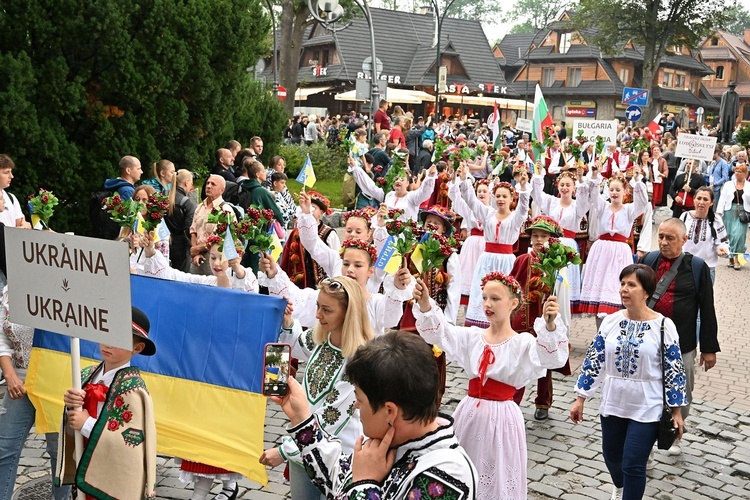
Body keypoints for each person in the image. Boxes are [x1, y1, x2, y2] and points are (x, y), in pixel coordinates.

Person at [269, 331, 478, 500]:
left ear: (390, 411)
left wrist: (365, 484)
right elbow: (338, 478)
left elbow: (355, 483)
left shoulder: (447, 476)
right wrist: (301, 418)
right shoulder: (389, 443)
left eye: (359, 399)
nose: (356, 406)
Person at [414, 271, 567, 499]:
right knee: (462, 472)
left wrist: (550, 327)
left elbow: (552, 359)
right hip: (469, 415)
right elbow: (440, 333)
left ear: (513, 303)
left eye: (495, 299)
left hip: (502, 419)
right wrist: (426, 303)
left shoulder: (521, 343)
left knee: (496, 478)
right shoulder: (472, 337)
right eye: (485, 297)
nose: (488, 304)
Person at [570, 264, 687, 500]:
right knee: (612, 456)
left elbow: (674, 369)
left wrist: (677, 411)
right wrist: (580, 398)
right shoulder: (610, 322)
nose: (624, 289)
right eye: (622, 284)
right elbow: (595, 359)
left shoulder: (663, 326)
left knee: (634, 462)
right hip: (614, 401)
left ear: (646, 292)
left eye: (631, 284)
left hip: (647, 405)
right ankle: (619, 485)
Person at [259, 277, 376, 500]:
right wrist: (287, 321)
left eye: (326, 310)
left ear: (347, 313)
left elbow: (332, 417)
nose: (318, 315)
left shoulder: (359, 360)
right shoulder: (322, 336)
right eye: (318, 306)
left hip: (338, 456)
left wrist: (284, 451)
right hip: (303, 449)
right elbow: (295, 345)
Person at [638, 219, 719, 454]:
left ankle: (674, 431)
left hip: (682, 342)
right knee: (647, 389)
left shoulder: (697, 267)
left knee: (682, 390)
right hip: (648, 341)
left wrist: (708, 347)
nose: (663, 242)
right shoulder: (648, 260)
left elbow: (707, 307)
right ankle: (646, 442)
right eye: (661, 236)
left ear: (684, 240)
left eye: (670, 238)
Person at [58, 307, 157, 499]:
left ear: (137, 348)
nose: (108, 345)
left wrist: (86, 424)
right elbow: (72, 424)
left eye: (118, 340)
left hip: (111, 475)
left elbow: (131, 442)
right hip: (84, 461)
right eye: (106, 334)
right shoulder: (86, 376)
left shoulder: (134, 390)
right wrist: (71, 406)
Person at [0, 286, 71, 500]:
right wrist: (9, 373)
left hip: (58, 381)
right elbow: (1, 337)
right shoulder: (10, 289)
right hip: (21, 380)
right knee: (4, 448)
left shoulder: (66, 284)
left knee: (59, 453)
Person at [510, 216, 572, 421]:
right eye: (535, 236)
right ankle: (513, 401)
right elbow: (511, 286)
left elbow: (561, 294)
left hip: (544, 321)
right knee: (518, 361)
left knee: (544, 362)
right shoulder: (522, 260)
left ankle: (543, 402)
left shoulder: (556, 265)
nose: (538, 240)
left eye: (543, 236)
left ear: (552, 239)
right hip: (522, 319)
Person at [456, 164, 530, 328]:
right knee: (483, 292)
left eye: (504, 196)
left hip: (506, 261)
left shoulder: (515, 218)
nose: (501, 199)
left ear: (511, 199)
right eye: (497, 196)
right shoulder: (488, 214)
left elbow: (524, 207)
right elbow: (472, 201)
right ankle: (480, 325)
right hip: (487, 258)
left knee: (504, 293)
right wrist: (464, 179)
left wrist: (524, 187)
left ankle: (503, 326)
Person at [579, 166, 647, 325]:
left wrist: (637, 180)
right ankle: (600, 334)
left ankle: (615, 330)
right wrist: (595, 175)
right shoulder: (603, 207)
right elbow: (594, 195)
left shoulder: (629, 210)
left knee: (616, 288)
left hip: (619, 253)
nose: (615, 193)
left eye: (618, 189)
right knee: (600, 291)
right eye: (612, 190)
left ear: (625, 192)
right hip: (601, 251)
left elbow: (643, 202)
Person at [531, 167, 590, 312]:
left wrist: (582, 179)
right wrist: (538, 174)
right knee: (550, 278)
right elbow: (537, 195)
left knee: (565, 281)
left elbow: (584, 199)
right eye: (562, 185)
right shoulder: (552, 202)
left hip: (568, 245)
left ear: (574, 188)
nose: (564, 188)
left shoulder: (577, 206)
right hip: (552, 244)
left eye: (568, 185)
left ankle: (564, 309)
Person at [279, 190, 340, 289]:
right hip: (299, 283)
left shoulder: (329, 233)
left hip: (322, 284)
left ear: (321, 212)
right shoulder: (296, 232)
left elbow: (337, 258)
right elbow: (286, 256)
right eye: (308, 206)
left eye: (314, 208)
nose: (310, 210)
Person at [348, 159, 437, 222]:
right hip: (387, 238)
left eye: (402, 179)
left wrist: (430, 176)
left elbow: (425, 192)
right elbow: (370, 187)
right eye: (396, 179)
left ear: (407, 183)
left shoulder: (412, 197)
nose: (398, 181)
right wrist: (355, 168)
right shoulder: (388, 195)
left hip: (403, 239)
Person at [448, 177, 489, 307]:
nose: (481, 193)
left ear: (490, 194)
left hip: (486, 245)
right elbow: (456, 198)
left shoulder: (493, 211)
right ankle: (467, 309)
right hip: (471, 245)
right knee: (468, 274)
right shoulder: (470, 209)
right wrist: (456, 180)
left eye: (484, 191)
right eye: (479, 191)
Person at [680, 187, 729, 282]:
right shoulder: (685, 217)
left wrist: (721, 249)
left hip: (706, 268)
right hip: (685, 267)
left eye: (705, 199)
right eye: (699, 198)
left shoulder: (716, 220)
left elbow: (723, 242)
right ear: (694, 199)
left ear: (712, 203)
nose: (701, 202)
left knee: (704, 297)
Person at [189, 175, 232, 275]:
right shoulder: (200, 207)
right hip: (196, 257)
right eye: (208, 183)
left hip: (214, 257)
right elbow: (193, 231)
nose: (208, 186)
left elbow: (220, 238)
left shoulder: (225, 210)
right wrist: (196, 253)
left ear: (222, 190)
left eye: (213, 184)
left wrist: (197, 249)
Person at [716, 163, 750, 269]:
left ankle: (737, 259)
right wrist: (718, 212)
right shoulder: (728, 184)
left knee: (739, 236)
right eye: (736, 171)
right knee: (730, 236)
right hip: (729, 212)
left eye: (740, 172)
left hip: (743, 214)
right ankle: (731, 258)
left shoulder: (749, 185)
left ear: (745, 173)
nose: (737, 173)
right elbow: (722, 198)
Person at [0, 155, 30, 229]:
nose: (11, 176)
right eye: (6, 172)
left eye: (11, 172)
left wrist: (26, 226)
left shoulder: (11, 198)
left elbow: (25, 225)